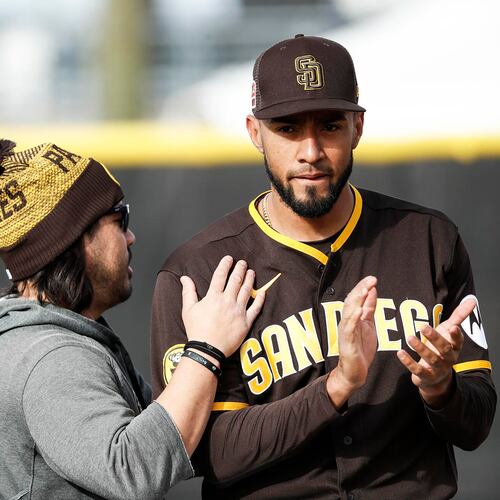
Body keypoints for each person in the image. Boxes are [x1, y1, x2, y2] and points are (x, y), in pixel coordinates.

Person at [150, 35, 496, 499]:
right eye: (288, 129)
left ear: (358, 126)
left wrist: (441, 390)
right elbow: (205, 453)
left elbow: (475, 424)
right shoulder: (198, 271)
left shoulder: (430, 240)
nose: (310, 151)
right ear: (255, 132)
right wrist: (337, 386)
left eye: (329, 127)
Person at [0, 139, 264, 500]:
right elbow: (131, 472)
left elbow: (179, 440)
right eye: (119, 219)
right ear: (75, 241)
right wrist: (206, 349)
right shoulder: (51, 358)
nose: (131, 236)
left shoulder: (42, 339)